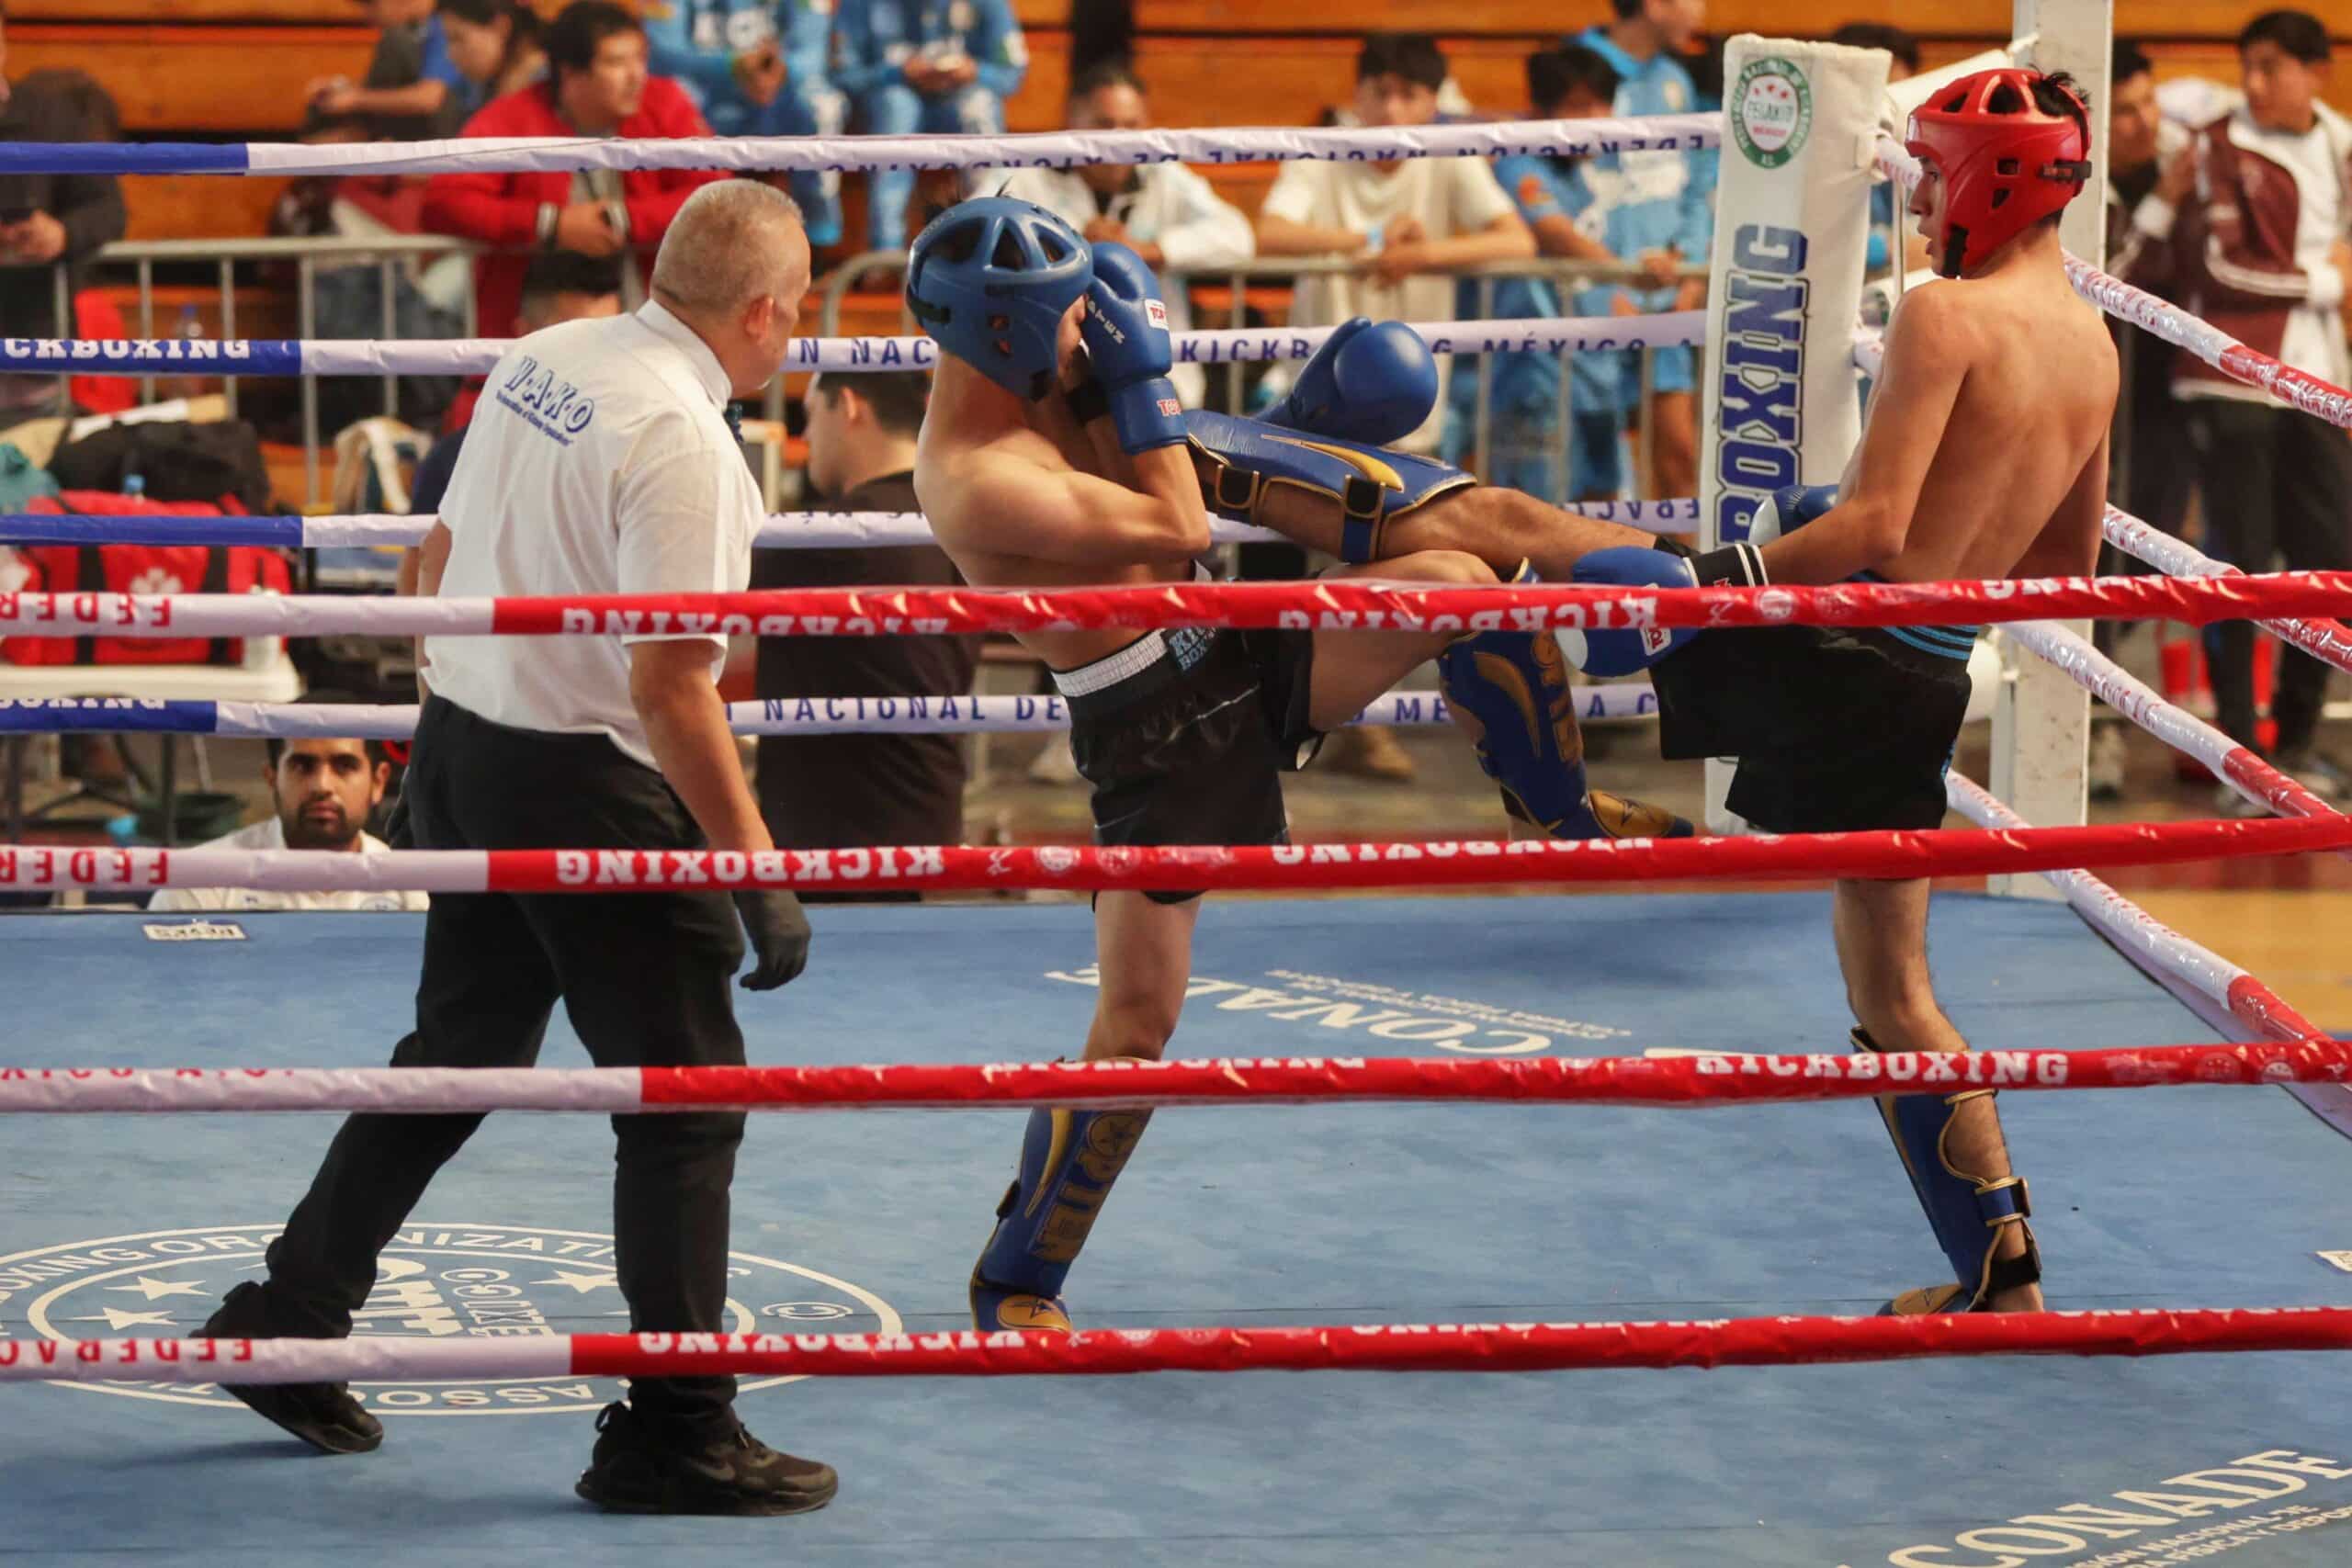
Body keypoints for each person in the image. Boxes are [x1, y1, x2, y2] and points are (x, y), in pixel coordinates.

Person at [905, 196, 1684, 1334]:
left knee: (1465, 585)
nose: (1086, 326)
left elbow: (1193, 480)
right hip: (1155, 726)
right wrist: (1141, 383)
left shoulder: (1033, 377)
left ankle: (1553, 805)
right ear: (1010, 334)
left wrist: (1287, 424)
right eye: (1066, 316)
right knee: (1137, 1025)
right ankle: (1018, 1277)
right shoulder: (980, 474)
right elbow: (1175, 524)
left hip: (1232, 642)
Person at [199, 181, 835, 1516]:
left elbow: (435, 554)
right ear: (766, 311)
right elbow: (675, 687)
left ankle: (286, 1316)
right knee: (684, 1103)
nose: (804, 332)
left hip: (469, 740)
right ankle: (677, 1425)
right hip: (584, 780)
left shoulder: (549, 356)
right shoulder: (692, 445)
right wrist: (758, 864)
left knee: (455, 1061)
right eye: (800, 309)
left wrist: (451, 714)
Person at [2139, 10, 2351, 801]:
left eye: (2272, 68)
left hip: (2320, 382)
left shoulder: (2339, 141)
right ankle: (2238, 753)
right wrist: (2328, 281)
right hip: (2231, 378)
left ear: (2315, 71)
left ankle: (2298, 741)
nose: (2255, 84)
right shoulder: (2215, 146)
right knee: (2240, 562)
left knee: (2331, 567)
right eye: (2247, 67)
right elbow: (2221, 267)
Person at [1254, 33, 1535, 457]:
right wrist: (1370, 240)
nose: (1391, 110)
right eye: (1381, 93)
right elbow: (1268, 235)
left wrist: (1423, 255)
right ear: (1357, 96)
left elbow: (1518, 241)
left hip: (1413, 397)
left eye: (1408, 95)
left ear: (1431, 104)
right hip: (1318, 394)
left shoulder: (1449, 155)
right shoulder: (1320, 153)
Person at [754, 368, 978, 871]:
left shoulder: (830, 539)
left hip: (837, 840)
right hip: (930, 812)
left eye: (811, 416)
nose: (806, 437)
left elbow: (700, 587)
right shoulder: (957, 521)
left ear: (850, 406)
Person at [421, 1, 725, 332]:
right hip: (529, 338)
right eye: (616, 62)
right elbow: (445, 201)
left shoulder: (664, 102)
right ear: (570, 73)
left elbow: (716, 194)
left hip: (655, 331)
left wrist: (625, 220)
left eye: (640, 59)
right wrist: (550, 224)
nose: (636, 75)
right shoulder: (513, 117)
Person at [997, 62, 1253, 411]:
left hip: (1161, 375)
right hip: (1053, 375)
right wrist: (1070, 247)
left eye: (1131, 125)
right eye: (1104, 124)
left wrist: (1146, 251)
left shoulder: (1163, 176)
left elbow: (1238, 235)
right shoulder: (1027, 176)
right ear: (1072, 122)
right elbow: (978, 232)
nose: (1119, 138)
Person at [1445, 44, 1633, 504]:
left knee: (1607, 502)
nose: (1593, 118)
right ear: (1543, 111)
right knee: (1536, 511)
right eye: (1577, 106)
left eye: (1600, 104)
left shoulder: (1585, 175)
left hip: (1594, 369)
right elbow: (1554, 234)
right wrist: (1632, 275)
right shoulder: (1518, 164)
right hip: (1532, 371)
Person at [1572, 1, 1713, 502]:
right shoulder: (1577, 66)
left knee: (1679, 453)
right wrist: (1604, 283)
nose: (1702, 10)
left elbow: (1697, 181)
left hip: (1667, 293)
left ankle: (1692, 578)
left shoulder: (1676, 78)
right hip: (1597, 302)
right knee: (1595, 472)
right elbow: (1571, 186)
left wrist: (1693, 267)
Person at [408, 253, 625, 516]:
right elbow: (422, 556)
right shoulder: (457, 460)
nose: (596, 359)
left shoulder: (639, 455)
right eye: (575, 340)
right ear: (525, 337)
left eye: (610, 339)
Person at [147, 720, 426, 915]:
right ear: (272, 779)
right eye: (302, 766)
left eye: (344, 766)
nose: (322, 786)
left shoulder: (414, 892)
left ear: (378, 782)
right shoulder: (198, 884)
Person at [639, 2, 848, 245]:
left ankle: (817, 237)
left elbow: (812, 53)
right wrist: (731, 66)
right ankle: (687, 233)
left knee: (824, 105)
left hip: (781, 88)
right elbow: (662, 54)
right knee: (675, 97)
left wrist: (780, 71)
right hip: (711, 85)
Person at [0, 17, 124, 423]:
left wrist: (62, 233)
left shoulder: (47, 117)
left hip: (29, 351)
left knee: (27, 480)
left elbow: (107, 209)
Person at [834, 0, 1028, 252]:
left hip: (959, 101)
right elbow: (843, 75)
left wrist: (975, 72)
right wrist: (894, 74)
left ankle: (990, 245)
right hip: (890, 107)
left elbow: (1012, 73)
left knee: (979, 104)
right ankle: (885, 254)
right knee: (896, 106)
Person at [1829, 21, 1926, 278]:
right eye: (1883, 93)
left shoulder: (1919, 152)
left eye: (1901, 92)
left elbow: (1936, 245)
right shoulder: (1815, 155)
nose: (1893, 108)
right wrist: (1886, 249)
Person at [303, 0, 469, 141]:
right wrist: (344, 89)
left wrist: (355, 99)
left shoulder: (447, 23)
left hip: (449, 133)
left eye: (371, 6)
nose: (369, 17)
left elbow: (429, 98)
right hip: (410, 132)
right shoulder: (419, 28)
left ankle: (354, 136)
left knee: (395, 41)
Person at [438, 0, 548, 118]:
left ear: (502, 27)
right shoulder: (480, 86)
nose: (449, 54)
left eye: (457, 39)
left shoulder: (546, 87)